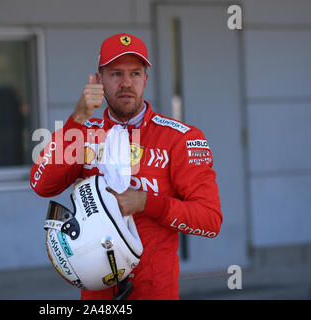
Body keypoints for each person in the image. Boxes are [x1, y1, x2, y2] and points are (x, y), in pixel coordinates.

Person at [30, 33, 223, 300]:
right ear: (98, 80)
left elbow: (210, 220)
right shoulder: (83, 133)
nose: (126, 83)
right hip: (97, 295)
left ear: (145, 79)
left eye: (135, 73)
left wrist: (147, 202)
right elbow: (41, 184)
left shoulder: (181, 138)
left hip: (156, 291)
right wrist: (77, 118)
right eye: (115, 73)